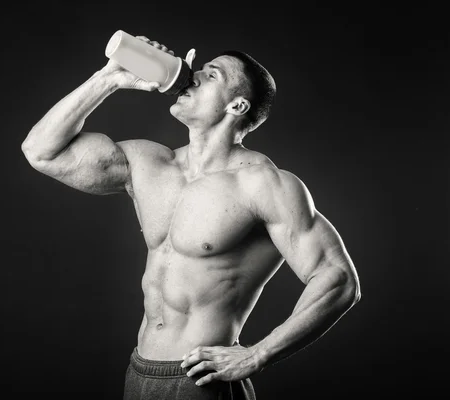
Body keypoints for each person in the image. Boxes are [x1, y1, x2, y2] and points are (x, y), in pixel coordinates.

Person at [21, 34, 361, 400]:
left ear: (237, 106)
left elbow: (338, 279)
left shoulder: (263, 184)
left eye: (211, 75)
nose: (194, 75)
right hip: (139, 372)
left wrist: (258, 354)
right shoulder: (150, 163)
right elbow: (41, 151)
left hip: (199, 381)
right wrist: (110, 78)